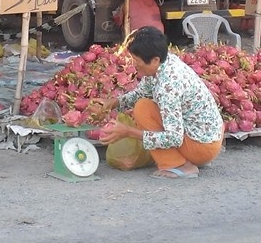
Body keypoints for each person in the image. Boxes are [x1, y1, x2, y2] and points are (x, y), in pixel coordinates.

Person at [91, 26, 224, 179]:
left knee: (142, 109)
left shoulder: (168, 85)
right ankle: (185, 158)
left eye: (137, 60)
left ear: (154, 59)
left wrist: (128, 132)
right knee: (143, 104)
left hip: (203, 147)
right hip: (205, 138)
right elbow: (141, 92)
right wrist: (112, 103)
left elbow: (174, 138)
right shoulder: (165, 63)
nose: (135, 65)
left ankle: (180, 165)